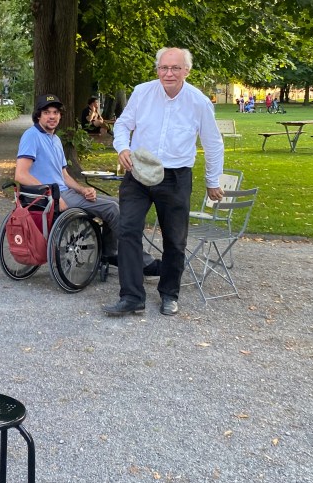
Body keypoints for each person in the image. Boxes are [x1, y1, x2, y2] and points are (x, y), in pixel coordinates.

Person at [103, 48, 224, 318]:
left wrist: (212, 180)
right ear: (157, 69)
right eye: (164, 68)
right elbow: (122, 125)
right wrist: (122, 147)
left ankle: (169, 294)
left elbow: (213, 143)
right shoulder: (142, 92)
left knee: (175, 239)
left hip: (176, 177)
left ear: (186, 71)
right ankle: (131, 296)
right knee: (128, 230)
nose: (169, 73)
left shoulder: (199, 102)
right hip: (138, 172)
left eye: (175, 68)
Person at [15, 94, 120, 259]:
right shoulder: (32, 136)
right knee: (112, 209)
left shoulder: (56, 139)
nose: (52, 116)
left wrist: (82, 189)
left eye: (56, 112)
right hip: (51, 197)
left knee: (119, 203)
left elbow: (63, 175)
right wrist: (52, 195)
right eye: (47, 112)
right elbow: (21, 175)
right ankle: (135, 257)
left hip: (65, 192)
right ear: (38, 115)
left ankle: (109, 253)